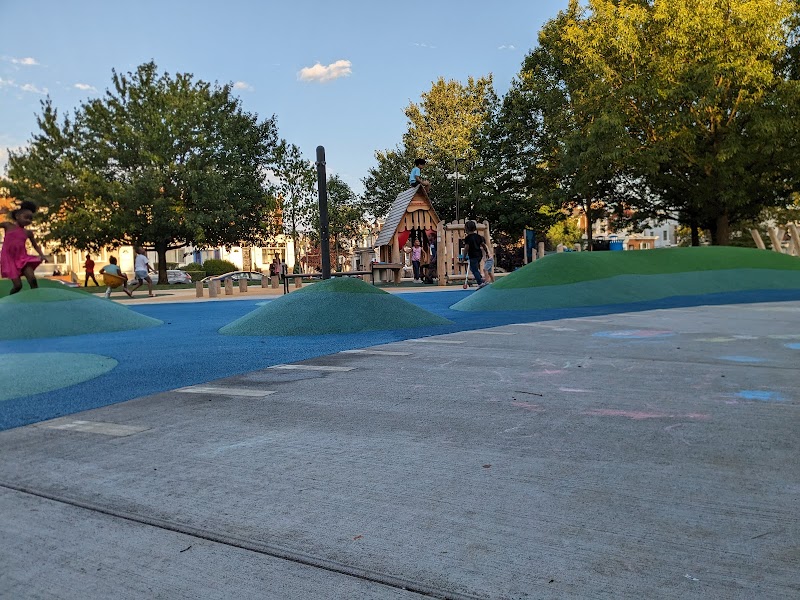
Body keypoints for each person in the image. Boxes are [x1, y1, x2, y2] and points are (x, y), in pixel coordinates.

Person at [0, 200, 47, 295]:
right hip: (9, 258)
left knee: (32, 278)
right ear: (17, 216)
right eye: (26, 217)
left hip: (22, 258)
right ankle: (10, 299)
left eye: (30, 219)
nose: (28, 221)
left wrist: (42, 255)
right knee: (18, 286)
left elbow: (35, 245)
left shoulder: (28, 233)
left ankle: (37, 296)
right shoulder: (8, 225)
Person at [463, 220, 489, 289]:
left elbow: (466, 248)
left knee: (474, 269)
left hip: (473, 255)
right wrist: (486, 252)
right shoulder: (478, 236)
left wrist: (463, 257)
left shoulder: (468, 238)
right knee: (474, 268)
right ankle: (481, 279)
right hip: (479, 255)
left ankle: (480, 283)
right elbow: (483, 245)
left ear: (467, 229)